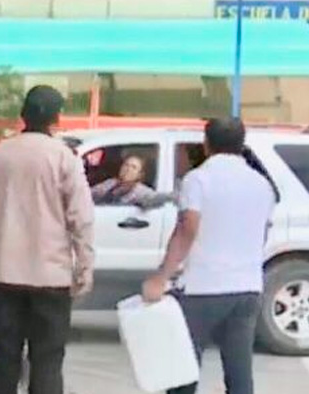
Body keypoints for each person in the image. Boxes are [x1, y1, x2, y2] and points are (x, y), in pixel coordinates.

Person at [142, 118, 276, 394]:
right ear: (242, 144)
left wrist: (161, 276)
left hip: (203, 287)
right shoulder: (261, 184)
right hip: (247, 289)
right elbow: (263, 232)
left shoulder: (198, 179)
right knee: (239, 372)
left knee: (183, 370)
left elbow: (187, 230)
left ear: (206, 144)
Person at [0, 85, 95, 394]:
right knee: (47, 359)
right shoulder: (63, 158)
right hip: (50, 276)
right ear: (57, 117)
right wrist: (85, 265)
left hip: (5, 274)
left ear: (23, 115)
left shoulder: (0, 154)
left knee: (4, 356)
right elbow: (80, 218)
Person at [90, 155, 157, 206]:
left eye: (133, 167)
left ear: (139, 174)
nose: (128, 169)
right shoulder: (110, 183)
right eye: (126, 165)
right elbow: (89, 194)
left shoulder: (142, 191)